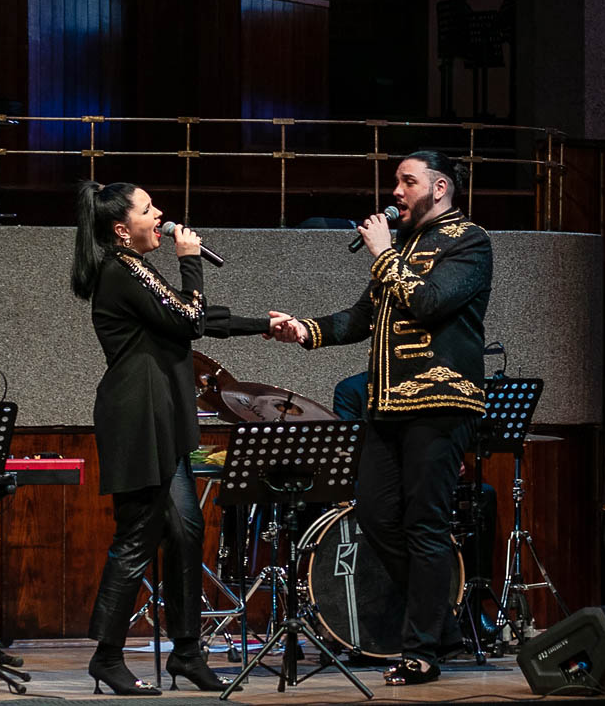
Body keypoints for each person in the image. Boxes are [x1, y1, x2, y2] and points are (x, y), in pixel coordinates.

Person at [269, 150, 493, 685]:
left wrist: (384, 253)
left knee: (425, 524)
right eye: (396, 181)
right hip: (388, 406)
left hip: (440, 402)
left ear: (440, 188)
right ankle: (442, 626)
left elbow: (430, 302)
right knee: (375, 515)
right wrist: (304, 330)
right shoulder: (403, 248)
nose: (396, 191)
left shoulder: (469, 240)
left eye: (407, 181)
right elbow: (362, 317)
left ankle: (422, 651)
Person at [71, 180, 278, 695]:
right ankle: (107, 657)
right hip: (138, 420)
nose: (160, 214)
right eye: (148, 208)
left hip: (161, 418)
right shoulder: (120, 271)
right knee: (137, 536)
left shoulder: (136, 268)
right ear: (122, 229)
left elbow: (191, 316)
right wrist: (191, 260)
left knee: (186, 533)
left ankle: (187, 653)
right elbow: (188, 318)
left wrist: (265, 324)